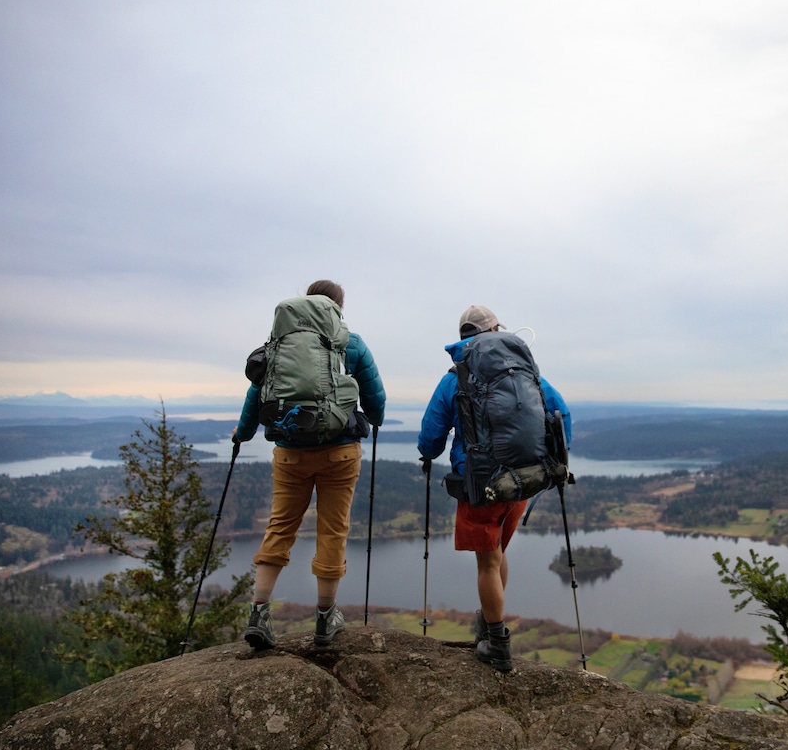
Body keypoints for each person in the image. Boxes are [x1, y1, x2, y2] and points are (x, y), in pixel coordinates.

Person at [417, 305, 571, 672]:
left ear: (464, 338)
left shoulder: (455, 378)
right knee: (498, 554)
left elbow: (430, 439)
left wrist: (428, 453)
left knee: (487, 561)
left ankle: (497, 643)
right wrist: (555, 460)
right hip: (523, 481)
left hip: (482, 484)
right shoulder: (527, 373)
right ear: (497, 329)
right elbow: (561, 414)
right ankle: (488, 626)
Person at [233, 280, 385, 650]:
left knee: (280, 526)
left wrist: (242, 433)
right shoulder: (351, 343)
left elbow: (256, 393)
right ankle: (325, 618)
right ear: (338, 308)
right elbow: (374, 394)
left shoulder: (279, 344)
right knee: (332, 531)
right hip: (340, 453)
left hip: (289, 452)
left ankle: (259, 613)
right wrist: (375, 418)